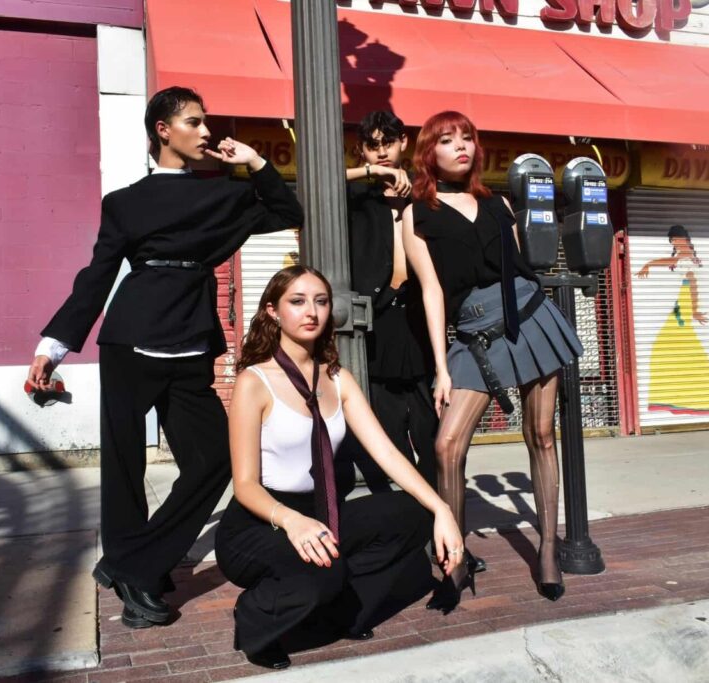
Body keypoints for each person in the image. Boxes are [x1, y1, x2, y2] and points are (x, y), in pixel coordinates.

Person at [24, 87, 303, 628]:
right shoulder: (123, 203)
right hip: (130, 342)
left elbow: (288, 210)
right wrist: (52, 346)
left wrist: (256, 162)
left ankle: (134, 563)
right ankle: (135, 574)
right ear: (163, 130)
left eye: (205, 121)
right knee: (124, 466)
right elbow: (97, 276)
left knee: (217, 459)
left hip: (192, 341)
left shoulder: (222, 194)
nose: (206, 131)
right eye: (194, 122)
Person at [215, 265, 462, 670]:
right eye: (297, 302)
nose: (311, 311)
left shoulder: (337, 378)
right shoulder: (253, 382)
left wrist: (441, 509)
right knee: (324, 576)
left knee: (411, 515)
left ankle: (342, 613)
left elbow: (386, 453)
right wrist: (292, 522)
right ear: (273, 311)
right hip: (260, 522)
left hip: (320, 512)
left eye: (321, 301)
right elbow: (244, 485)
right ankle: (256, 615)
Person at [401, 111, 584, 612]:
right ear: (429, 153)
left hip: (529, 317)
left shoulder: (498, 202)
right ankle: (454, 560)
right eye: (447, 140)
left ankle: (548, 551)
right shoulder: (417, 214)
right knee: (447, 445)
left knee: (541, 434)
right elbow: (432, 291)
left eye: (467, 138)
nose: (460, 146)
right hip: (474, 336)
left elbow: (518, 268)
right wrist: (442, 367)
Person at [344, 111, 438, 490]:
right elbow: (312, 187)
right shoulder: (357, 195)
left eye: (388, 143)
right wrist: (369, 173)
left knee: (432, 435)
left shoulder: (425, 192)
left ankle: (433, 511)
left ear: (403, 142)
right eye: (372, 145)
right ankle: (404, 508)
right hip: (377, 320)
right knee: (388, 433)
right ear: (362, 150)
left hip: (418, 318)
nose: (381, 151)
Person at [636, 224, 709, 416]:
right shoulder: (684, 256)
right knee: (678, 347)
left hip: (683, 305)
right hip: (680, 303)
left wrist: (694, 310)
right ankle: (683, 397)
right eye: (672, 240)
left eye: (676, 239)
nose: (674, 243)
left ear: (685, 239)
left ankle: (689, 398)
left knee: (670, 345)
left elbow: (692, 284)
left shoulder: (687, 257)